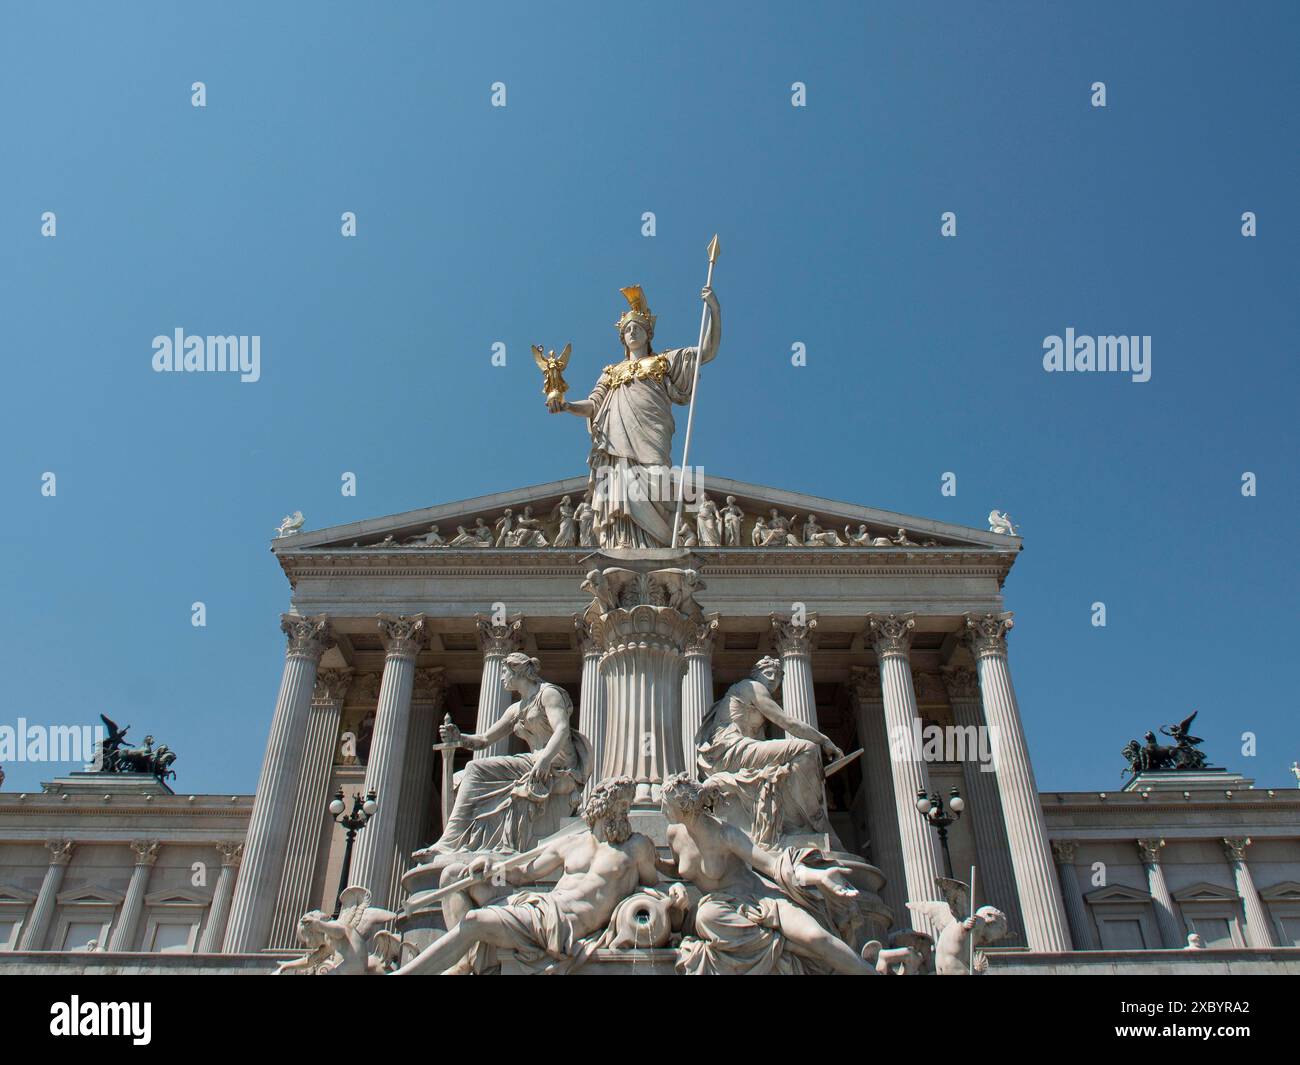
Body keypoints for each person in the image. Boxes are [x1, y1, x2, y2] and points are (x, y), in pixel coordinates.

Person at [394, 777, 658, 975]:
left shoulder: (636, 847)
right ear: (601, 807)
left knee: (475, 920)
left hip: (560, 926)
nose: (626, 812)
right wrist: (492, 866)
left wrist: (669, 897)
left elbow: (655, 887)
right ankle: (467, 962)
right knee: (454, 876)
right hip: (540, 907)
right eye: (621, 805)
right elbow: (522, 874)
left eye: (627, 805)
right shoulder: (571, 843)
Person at [548, 284, 721, 548]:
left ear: (648, 334)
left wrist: (714, 311)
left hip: (652, 433)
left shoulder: (663, 362)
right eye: (627, 329)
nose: (632, 332)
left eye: (637, 328)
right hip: (616, 439)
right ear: (622, 337)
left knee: (657, 479)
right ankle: (624, 543)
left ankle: (667, 537)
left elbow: (707, 352)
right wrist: (568, 405)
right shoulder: (611, 372)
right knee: (619, 483)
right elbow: (594, 405)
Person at [660, 773, 873, 975]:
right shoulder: (674, 834)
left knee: (817, 938)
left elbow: (772, 866)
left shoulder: (726, 835)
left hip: (759, 899)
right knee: (706, 916)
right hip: (721, 906)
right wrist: (655, 863)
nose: (662, 809)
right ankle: (784, 945)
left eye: (666, 804)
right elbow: (679, 869)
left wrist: (819, 877)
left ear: (685, 806)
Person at [420, 653, 590, 856]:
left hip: (559, 764)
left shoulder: (548, 694)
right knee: (461, 777)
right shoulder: (516, 709)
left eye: (504, 672)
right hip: (534, 761)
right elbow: (484, 739)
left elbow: (562, 728)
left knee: (474, 768)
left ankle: (449, 842)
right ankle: (462, 842)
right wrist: (459, 737)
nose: (501, 677)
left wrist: (544, 760)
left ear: (517, 671)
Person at [695, 656, 842, 840]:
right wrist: (824, 740)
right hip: (729, 751)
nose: (773, 678)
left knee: (787, 767)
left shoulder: (753, 707)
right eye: (768, 673)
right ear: (756, 675)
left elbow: (762, 748)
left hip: (739, 751)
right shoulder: (752, 687)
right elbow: (787, 722)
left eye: (778, 675)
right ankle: (811, 819)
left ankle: (798, 822)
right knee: (806, 748)